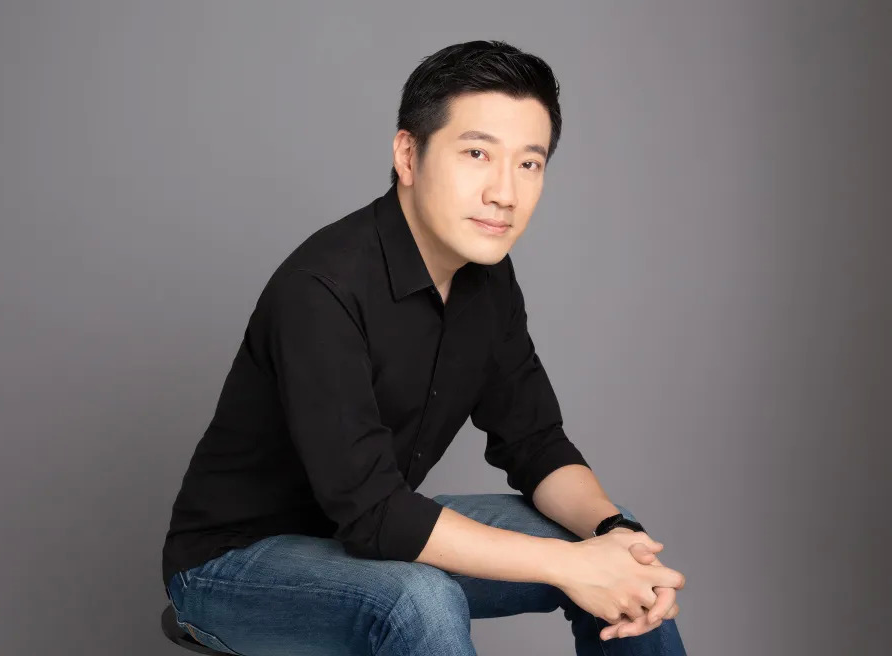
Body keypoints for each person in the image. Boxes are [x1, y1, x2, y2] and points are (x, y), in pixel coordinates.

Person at [161, 40, 688, 655]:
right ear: (408, 155)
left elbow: (536, 443)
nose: (505, 193)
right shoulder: (321, 288)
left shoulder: (488, 278)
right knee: (419, 599)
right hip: (233, 566)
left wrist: (613, 533)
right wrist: (569, 566)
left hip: (363, 537)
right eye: (477, 154)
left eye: (529, 164)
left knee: (618, 557)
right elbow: (374, 512)